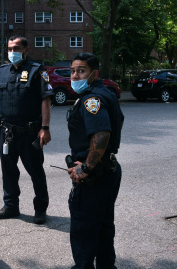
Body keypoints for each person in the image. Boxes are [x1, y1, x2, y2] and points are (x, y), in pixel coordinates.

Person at [66, 52, 124, 269]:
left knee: (84, 229)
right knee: (103, 225)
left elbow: (102, 134)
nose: (75, 75)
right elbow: (119, 122)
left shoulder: (92, 99)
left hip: (95, 177)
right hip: (109, 170)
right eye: (72, 71)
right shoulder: (106, 93)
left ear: (94, 74)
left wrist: (87, 167)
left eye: (81, 71)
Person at [0, 36, 53, 224]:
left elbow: (46, 100)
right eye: (9, 48)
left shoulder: (37, 71)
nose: (12, 52)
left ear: (26, 49)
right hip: (7, 132)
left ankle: (40, 209)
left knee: (35, 171)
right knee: (8, 171)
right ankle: (10, 206)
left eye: (16, 48)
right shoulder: (1, 71)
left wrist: (45, 128)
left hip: (30, 132)